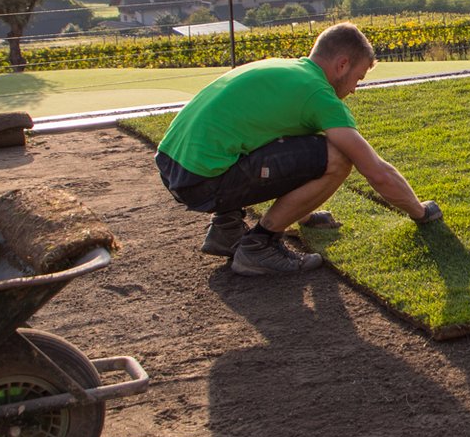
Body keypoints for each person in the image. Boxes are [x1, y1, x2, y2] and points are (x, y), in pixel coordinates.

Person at [154, 22, 441, 276]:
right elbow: (376, 171)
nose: (354, 88)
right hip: (203, 182)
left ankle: (226, 230)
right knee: (338, 157)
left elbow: (284, 154)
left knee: (292, 147)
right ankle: (259, 245)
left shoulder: (286, 69)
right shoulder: (318, 94)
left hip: (173, 167)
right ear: (342, 65)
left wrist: (303, 214)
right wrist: (420, 212)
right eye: (359, 77)